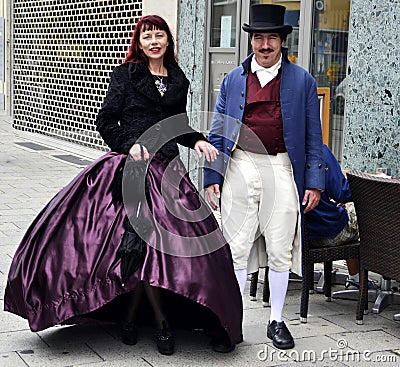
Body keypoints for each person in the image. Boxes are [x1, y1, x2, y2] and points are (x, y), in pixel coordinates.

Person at [4, 15, 242, 355]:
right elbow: (105, 121)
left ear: (168, 41)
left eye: (160, 35)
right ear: (140, 42)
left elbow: (178, 125)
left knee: (172, 251)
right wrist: (129, 143)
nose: (154, 41)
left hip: (167, 170)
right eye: (148, 36)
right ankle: (158, 322)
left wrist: (198, 140)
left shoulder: (177, 79)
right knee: (132, 248)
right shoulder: (126, 74)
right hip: (128, 168)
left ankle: (136, 316)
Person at [204, 4, 325, 350]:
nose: (265, 44)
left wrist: (314, 180)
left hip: (282, 166)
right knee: (236, 247)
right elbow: (218, 130)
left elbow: (314, 136)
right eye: (259, 38)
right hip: (240, 164)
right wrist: (213, 176)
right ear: (251, 41)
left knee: (279, 247)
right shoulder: (233, 79)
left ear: (282, 42)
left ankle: (276, 320)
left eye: (272, 37)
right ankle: (231, 321)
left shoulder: (302, 81)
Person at [307, 144, 375, 290]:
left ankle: (355, 277)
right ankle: (382, 272)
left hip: (299, 237)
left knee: (342, 210)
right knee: (364, 212)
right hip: (327, 233)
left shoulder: (282, 155)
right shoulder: (318, 151)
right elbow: (342, 192)